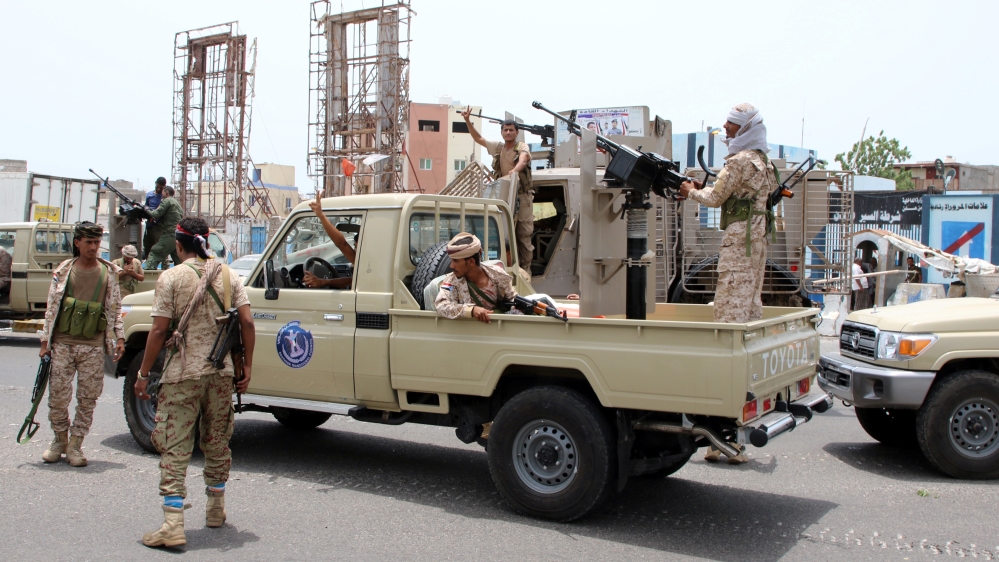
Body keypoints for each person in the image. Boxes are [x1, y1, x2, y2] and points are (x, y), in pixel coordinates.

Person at [135, 217, 254, 548]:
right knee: (217, 440)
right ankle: (215, 509)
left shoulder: (172, 277)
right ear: (206, 242)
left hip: (183, 375)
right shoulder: (228, 275)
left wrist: (143, 374)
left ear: (178, 245)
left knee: (175, 444)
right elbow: (247, 323)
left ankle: (173, 523)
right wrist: (247, 367)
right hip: (221, 374)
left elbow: (159, 330)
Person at [679, 103, 778, 465]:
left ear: (744, 128)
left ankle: (725, 438)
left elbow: (714, 198)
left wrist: (689, 190)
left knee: (727, 331)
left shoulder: (738, 162)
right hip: (757, 245)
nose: (725, 129)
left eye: (731, 125)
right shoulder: (764, 161)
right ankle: (731, 437)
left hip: (738, 247)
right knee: (749, 320)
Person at [38, 222, 125, 467]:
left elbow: (115, 308)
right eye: (88, 242)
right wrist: (45, 342)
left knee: (88, 398)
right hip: (63, 343)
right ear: (77, 243)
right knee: (58, 397)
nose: (93, 247)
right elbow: (51, 308)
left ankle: (76, 444)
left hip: (93, 346)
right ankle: (59, 440)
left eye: (97, 242)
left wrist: (120, 337)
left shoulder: (108, 273)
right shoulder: (64, 271)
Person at [461, 106, 534, 272]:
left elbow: (523, 160)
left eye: (511, 130)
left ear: (517, 132)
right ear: (502, 132)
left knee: (523, 234)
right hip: (504, 194)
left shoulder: (521, 147)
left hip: (521, 195)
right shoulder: (499, 148)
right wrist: (467, 121)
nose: (508, 133)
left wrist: (514, 172)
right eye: (505, 130)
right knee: (502, 234)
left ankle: (526, 269)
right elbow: (478, 138)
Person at [434, 233, 518, 323]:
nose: (451, 266)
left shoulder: (497, 275)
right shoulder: (451, 281)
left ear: (471, 261)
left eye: (456, 261)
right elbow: (441, 305)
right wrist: (471, 310)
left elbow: (513, 298)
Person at [302, 190, 355, 289]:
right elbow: (341, 243)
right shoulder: (362, 262)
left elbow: (341, 243)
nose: (354, 249)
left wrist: (322, 282)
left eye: (356, 246)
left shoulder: (364, 262)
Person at [145, 186, 184, 270]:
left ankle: (148, 274)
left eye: (163, 192)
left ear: (166, 193)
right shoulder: (176, 203)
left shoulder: (166, 201)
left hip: (170, 233)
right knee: (178, 259)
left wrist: (146, 209)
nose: (161, 193)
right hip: (178, 235)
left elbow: (156, 214)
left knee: (155, 252)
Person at [143, 177, 167, 259]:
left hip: (159, 226)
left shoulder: (164, 197)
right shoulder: (149, 194)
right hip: (149, 225)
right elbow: (146, 207)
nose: (159, 189)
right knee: (147, 245)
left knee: (159, 247)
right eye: (158, 187)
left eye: (161, 188)